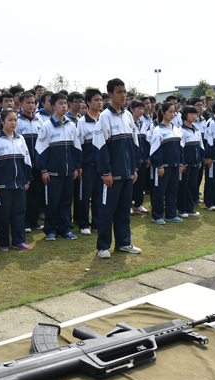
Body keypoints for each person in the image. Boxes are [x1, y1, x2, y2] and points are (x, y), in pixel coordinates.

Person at [93, 78, 141, 258]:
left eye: (125, 92)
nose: (123, 95)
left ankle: (124, 243)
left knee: (124, 211)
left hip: (128, 173)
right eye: (119, 92)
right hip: (111, 176)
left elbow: (134, 145)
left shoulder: (128, 115)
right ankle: (103, 246)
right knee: (107, 211)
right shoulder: (104, 117)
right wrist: (106, 172)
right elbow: (100, 147)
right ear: (110, 95)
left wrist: (134, 168)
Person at [35, 92, 81, 241]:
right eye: (60, 103)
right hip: (52, 174)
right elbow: (40, 150)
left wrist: (75, 167)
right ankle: (50, 230)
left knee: (66, 202)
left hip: (69, 173)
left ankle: (64, 229)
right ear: (53, 106)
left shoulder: (72, 125)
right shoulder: (46, 126)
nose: (64, 106)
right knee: (52, 203)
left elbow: (77, 148)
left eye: (65, 103)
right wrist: (44, 170)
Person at [0, 109, 32, 251]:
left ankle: (18, 240)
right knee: (3, 214)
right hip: (2, 185)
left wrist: (27, 179)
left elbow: (27, 160)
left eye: (15, 120)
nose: (13, 123)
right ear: (2, 121)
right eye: (10, 120)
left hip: (19, 184)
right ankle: (3, 242)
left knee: (19, 212)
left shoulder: (20, 138)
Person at [75, 89, 103, 234]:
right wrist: (79, 166)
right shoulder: (82, 122)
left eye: (100, 100)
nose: (99, 102)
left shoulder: (104, 119)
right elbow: (78, 146)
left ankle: (97, 223)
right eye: (96, 100)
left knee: (99, 196)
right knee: (84, 196)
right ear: (88, 102)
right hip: (87, 166)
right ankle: (84, 223)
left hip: (102, 166)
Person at [15, 91, 44, 232]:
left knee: (36, 193)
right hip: (24, 164)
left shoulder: (40, 121)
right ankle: (25, 222)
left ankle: (34, 221)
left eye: (33, 102)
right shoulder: (18, 121)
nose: (31, 105)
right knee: (24, 193)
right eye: (28, 102)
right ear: (20, 104)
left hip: (37, 163)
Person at [177, 105, 203, 217]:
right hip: (186, 164)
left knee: (193, 186)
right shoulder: (181, 130)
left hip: (195, 164)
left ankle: (190, 208)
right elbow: (180, 149)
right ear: (185, 115)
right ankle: (182, 209)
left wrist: (200, 160)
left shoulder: (197, 130)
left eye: (195, 114)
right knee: (183, 187)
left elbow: (201, 147)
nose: (194, 116)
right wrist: (182, 163)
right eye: (191, 114)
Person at [129, 100, 149, 216]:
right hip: (132, 159)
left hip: (143, 158)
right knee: (130, 183)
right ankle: (128, 206)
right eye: (138, 108)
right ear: (132, 109)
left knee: (140, 183)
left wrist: (147, 157)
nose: (141, 111)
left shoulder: (143, 124)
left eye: (142, 108)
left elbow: (146, 142)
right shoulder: (129, 123)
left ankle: (138, 205)